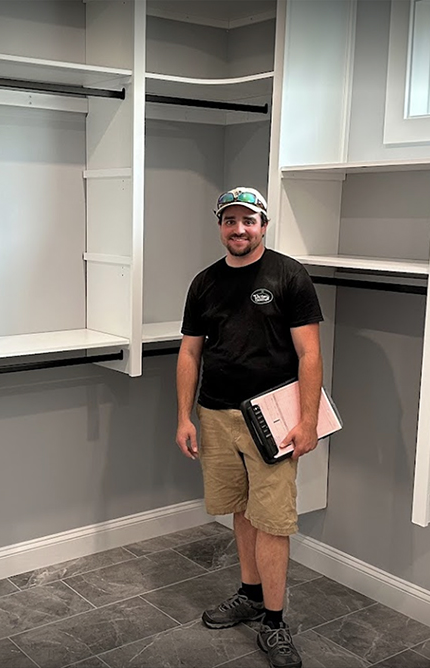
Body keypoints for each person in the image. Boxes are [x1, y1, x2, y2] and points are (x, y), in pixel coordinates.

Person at [175, 186, 324, 668]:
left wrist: (308, 421)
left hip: (272, 421)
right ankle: (250, 594)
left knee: (274, 522)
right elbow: (190, 352)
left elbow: (310, 354)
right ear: (220, 226)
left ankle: (275, 624)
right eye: (229, 221)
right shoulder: (204, 283)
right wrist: (184, 416)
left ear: (263, 224)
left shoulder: (289, 276)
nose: (239, 229)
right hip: (216, 415)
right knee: (240, 510)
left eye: (248, 220)